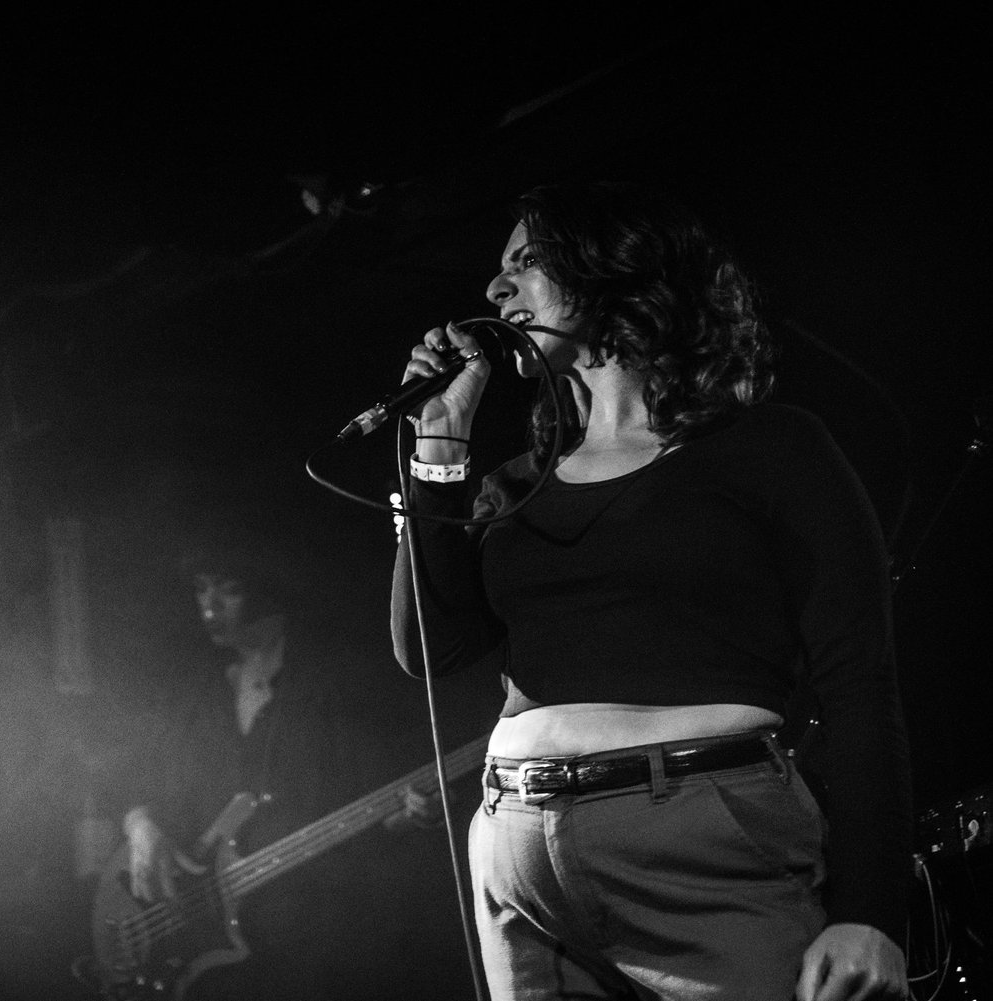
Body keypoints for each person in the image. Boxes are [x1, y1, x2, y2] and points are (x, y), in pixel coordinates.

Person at [390, 181, 911, 1001]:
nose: (494, 288)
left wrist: (873, 910)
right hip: (518, 867)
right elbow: (431, 648)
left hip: (703, 851)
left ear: (614, 269)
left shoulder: (771, 449)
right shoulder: (517, 485)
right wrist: (439, 448)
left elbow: (859, 682)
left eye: (527, 261)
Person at [116, 554, 458, 1000]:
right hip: (199, 929)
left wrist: (415, 816)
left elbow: (368, 808)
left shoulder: (329, 684)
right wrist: (140, 824)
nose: (209, 607)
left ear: (266, 591)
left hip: (310, 932)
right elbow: (134, 774)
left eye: (228, 590)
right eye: (201, 589)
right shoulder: (196, 687)